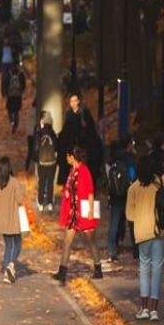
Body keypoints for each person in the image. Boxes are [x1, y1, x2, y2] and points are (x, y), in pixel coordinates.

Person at [127, 153, 164, 320]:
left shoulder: (133, 189)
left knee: (144, 268)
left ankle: (143, 308)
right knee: (157, 269)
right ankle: (154, 310)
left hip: (141, 233)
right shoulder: (158, 185)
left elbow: (130, 215)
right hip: (158, 231)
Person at [54, 143, 105, 281]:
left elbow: (90, 192)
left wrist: (89, 211)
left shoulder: (84, 171)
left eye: (67, 156)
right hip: (73, 213)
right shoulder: (72, 171)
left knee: (91, 241)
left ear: (72, 157)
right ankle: (62, 271)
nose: (66, 158)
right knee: (67, 242)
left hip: (83, 212)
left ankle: (98, 267)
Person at [0, 156, 27, 283]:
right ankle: (11, 265)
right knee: (17, 244)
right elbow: (20, 200)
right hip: (13, 220)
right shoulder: (14, 182)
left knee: (8, 246)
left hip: (2, 220)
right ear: (9, 168)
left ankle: (7, 271)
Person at [106, 138, 136, 264]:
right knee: (132, 223)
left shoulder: (111, 160)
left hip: (114, 196)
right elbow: (133, 175)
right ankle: (137, 250)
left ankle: (112, 250)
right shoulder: (129, 158)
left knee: (114, 222)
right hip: (127, 194)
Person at [34, 116, 59, 208]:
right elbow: (56, 147)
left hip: (41, 162)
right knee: (50, 182)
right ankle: (49, 203)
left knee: (41, 182)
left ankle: (40, 203)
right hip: (51, 162)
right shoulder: (53, 134)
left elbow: (36, 147)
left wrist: (37, 158)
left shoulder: (40, 133)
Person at [3, 63, 27, 134]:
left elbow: (5, 82)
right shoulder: (20, 73)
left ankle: (11, 121)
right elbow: (24, 84)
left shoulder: (8, 73)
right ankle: (15, 124)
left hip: (10, 95)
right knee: (16, 111)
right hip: (18, 95)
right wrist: (21, 91)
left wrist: (4, 92)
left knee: (9, 109)